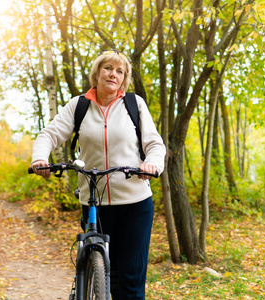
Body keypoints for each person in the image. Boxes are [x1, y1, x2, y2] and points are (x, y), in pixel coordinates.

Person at [31, 50, 166, 300]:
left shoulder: (134, 105)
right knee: (107, 275)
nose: (112, 74)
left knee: (130, 281)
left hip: (134, 203)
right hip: (94, 202)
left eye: (119, 71)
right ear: (97, 72)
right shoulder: (79, 106)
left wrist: (152, 165)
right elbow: (48, 135)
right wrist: (40, 158)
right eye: (107, 68)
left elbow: (155, 145)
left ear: (123, 79)